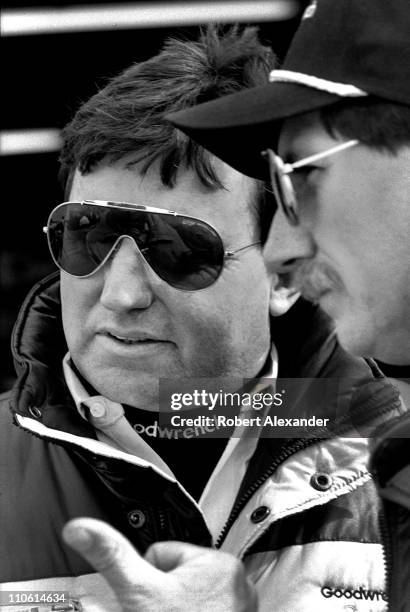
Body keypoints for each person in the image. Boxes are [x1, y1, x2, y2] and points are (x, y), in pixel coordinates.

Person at [0, 24, 404, 612]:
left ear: (283, 271)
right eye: (87, 234)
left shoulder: (394, 464)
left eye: (179, 250)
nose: (121, 295)